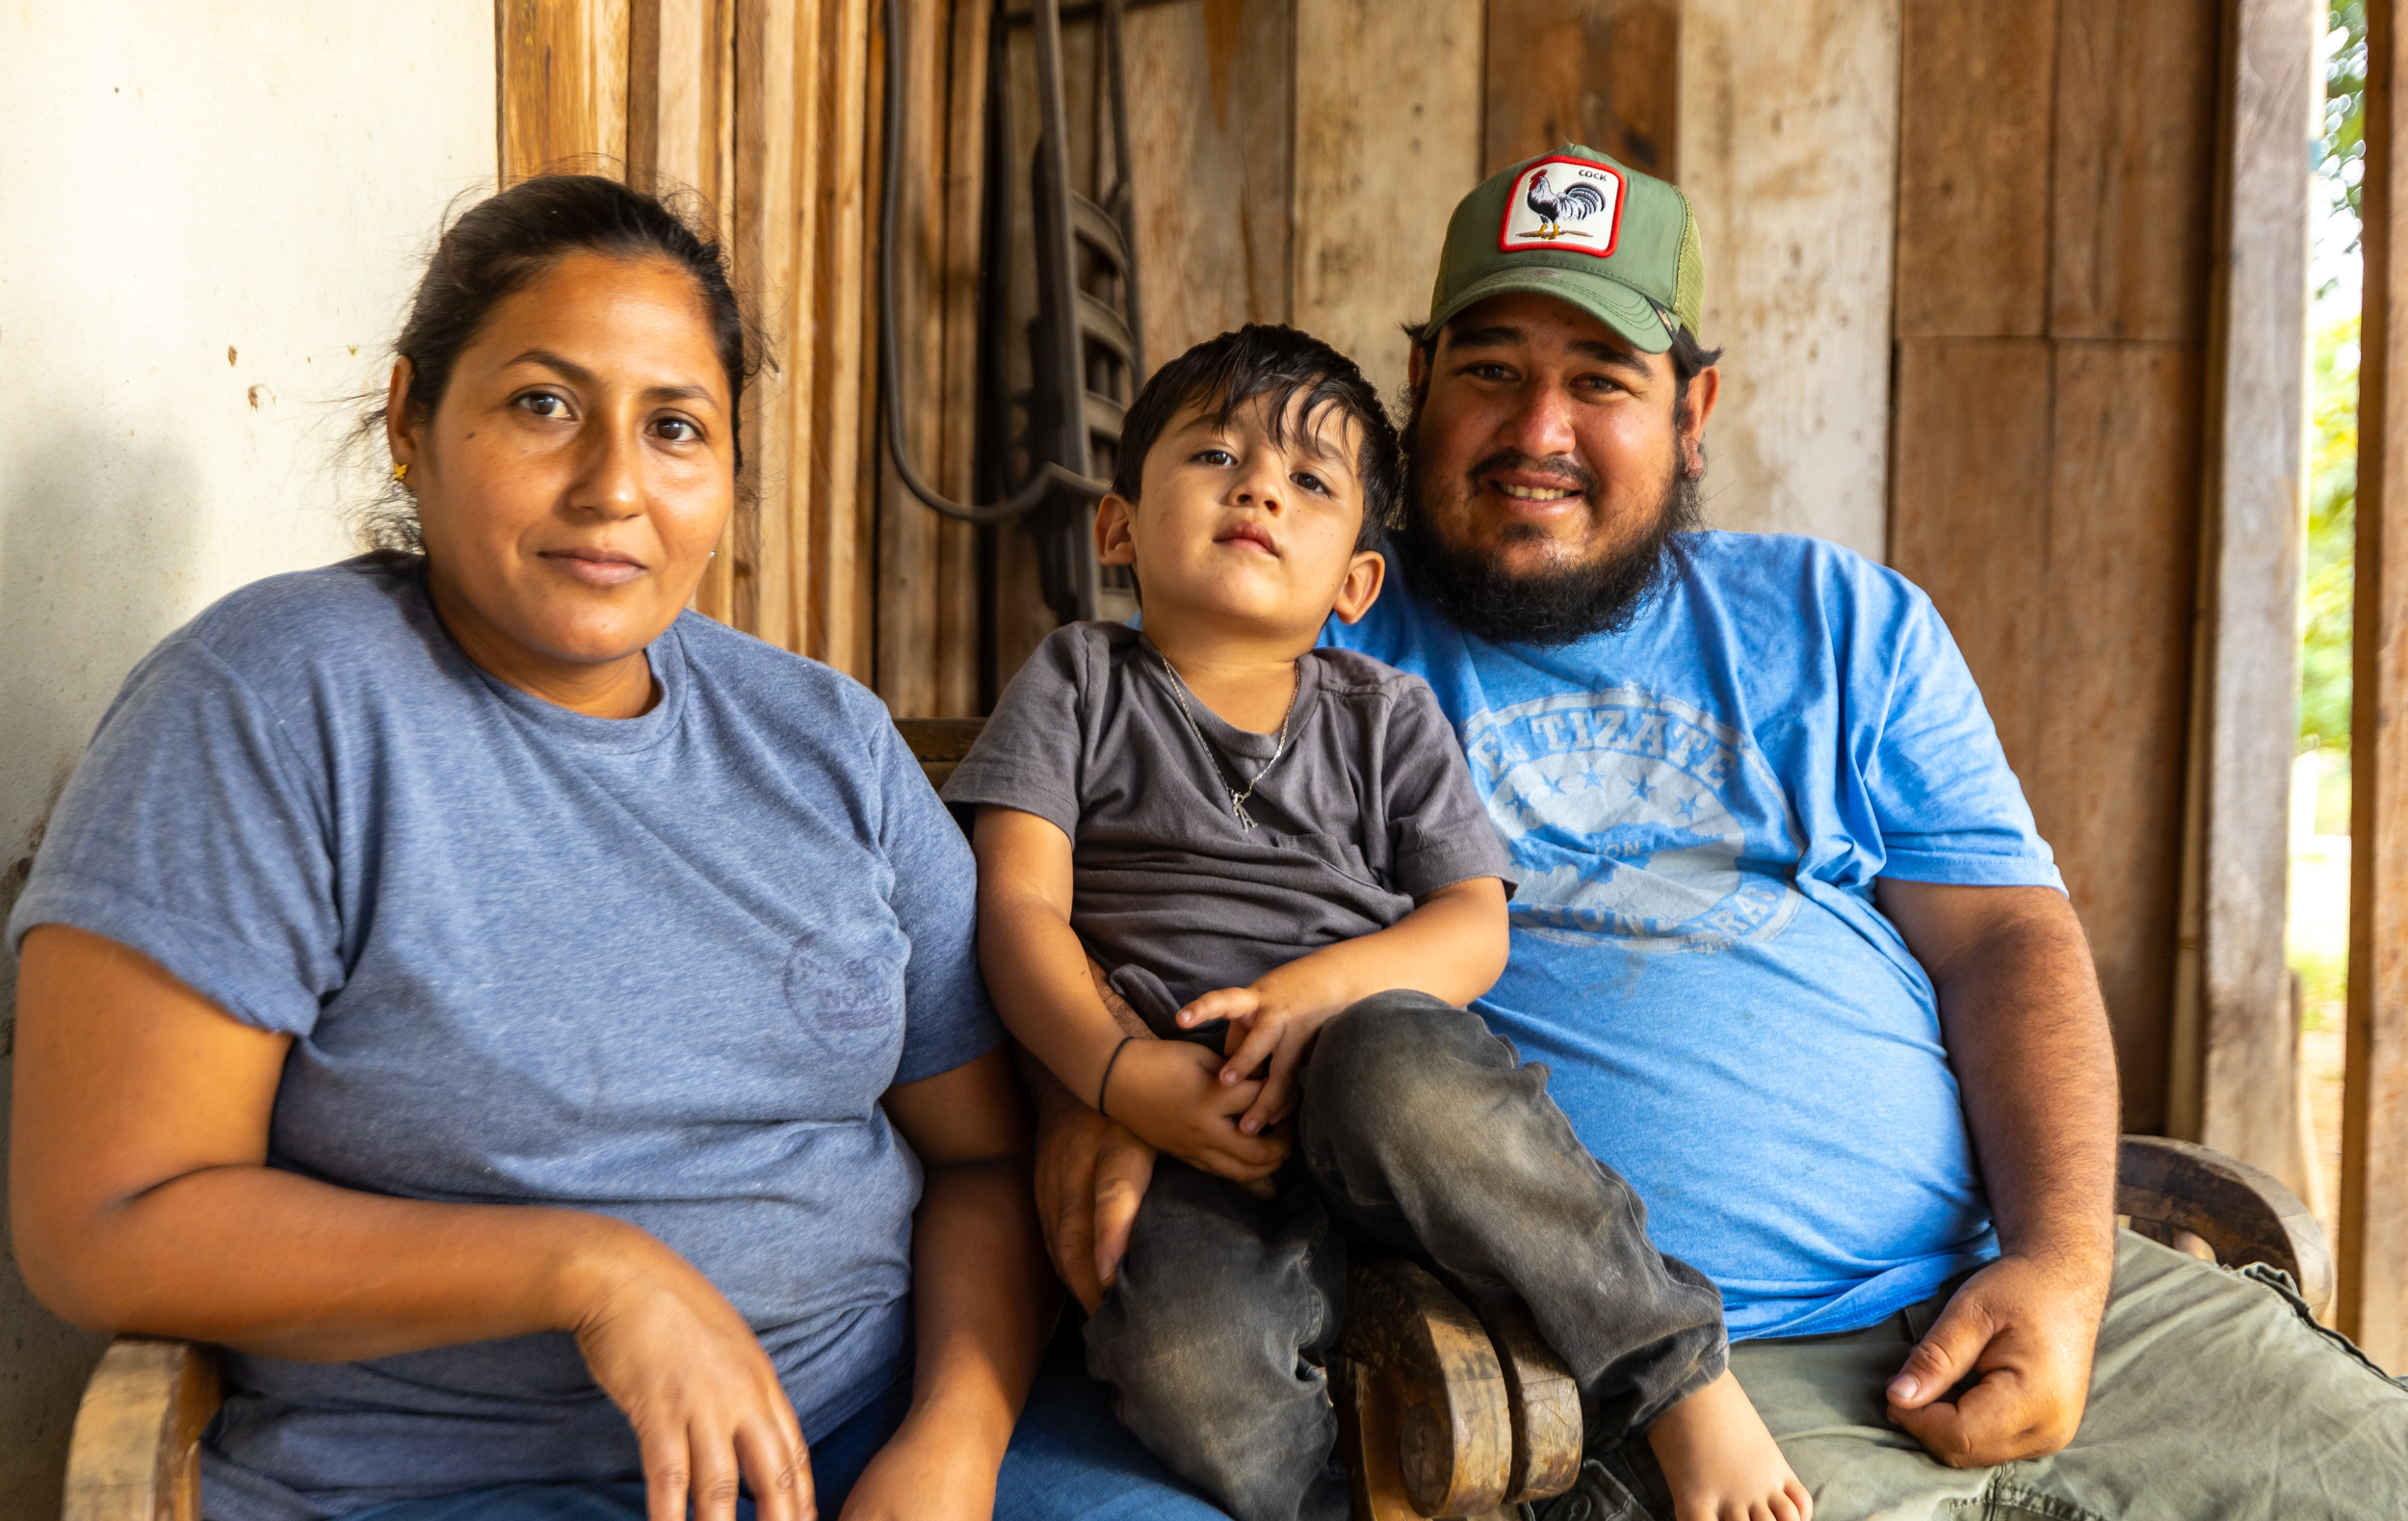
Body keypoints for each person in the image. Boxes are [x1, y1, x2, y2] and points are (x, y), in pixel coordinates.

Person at [1026, 145, 2408, 1519]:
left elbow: (2006, 939)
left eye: (1602, 381)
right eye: (1491, 368)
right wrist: (1103, 1091)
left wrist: (2056, 1264)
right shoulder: (1298, 633)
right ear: (1422, 386)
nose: (1538, 429)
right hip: (1658, 1381)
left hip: (2016, 1290)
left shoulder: (1842, 621)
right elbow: (1108, 890)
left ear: (1695, 412)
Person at [5, 175, 1057, 1521]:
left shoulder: (824, 739)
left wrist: (953, 1444)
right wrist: (593, 1270)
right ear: (409, 421)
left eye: (675, 426)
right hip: (456, 1479)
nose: (613, 485)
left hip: (875, 1441)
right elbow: (107, 1218)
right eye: (543, 404)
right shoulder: (272, 704)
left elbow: (982, 1154)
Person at [943, 324, 1811, 1521]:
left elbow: (1470, 924)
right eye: (1212, 456)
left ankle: (1673, 1375)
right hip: (1192, 1111)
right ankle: (1342, 1501)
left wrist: (1321, 990)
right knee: (1185, 1358)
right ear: (1118, 526)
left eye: (1308, 482)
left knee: (1408, 1074)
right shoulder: (1078, 684)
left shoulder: (1382, 712)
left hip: (1365, 1061)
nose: (1257, 487)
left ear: (1354, 581)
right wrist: (1119, 1076)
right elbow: (1015, 909)